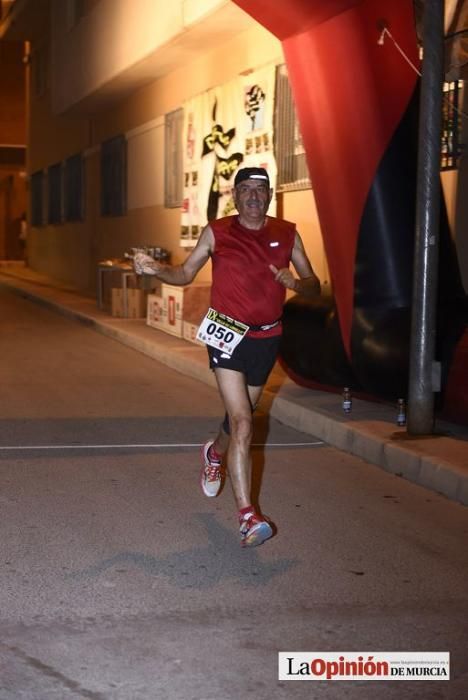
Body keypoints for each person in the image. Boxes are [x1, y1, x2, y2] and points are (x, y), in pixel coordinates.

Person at [134, 167, 320, 547]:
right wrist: (154, 269)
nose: (253, 196)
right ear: (234, 195)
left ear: (269, 195)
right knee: (243, 422)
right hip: (226, 333)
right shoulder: (218, 231)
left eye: (260, 189)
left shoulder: (287, 233)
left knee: (240, 421)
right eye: (246, 189)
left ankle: (213, 453)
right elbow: (185, 273)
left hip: (267, 337)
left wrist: (295, 284)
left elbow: (314, 286)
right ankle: (248, 516)